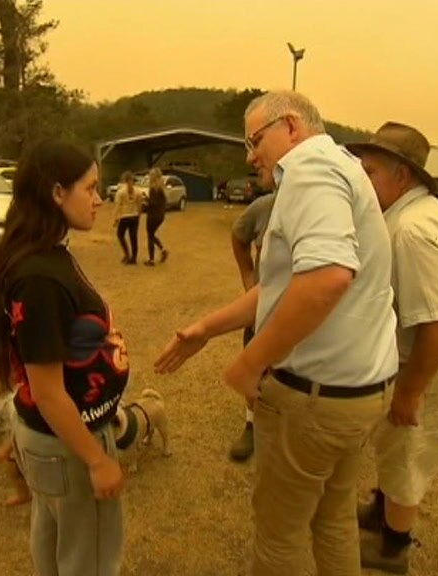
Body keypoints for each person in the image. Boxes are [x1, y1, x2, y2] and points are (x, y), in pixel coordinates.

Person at [155, 91, 399, 576]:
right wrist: (208, 327)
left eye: (254, 141)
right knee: (332, 519)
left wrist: (252, 360)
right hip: (358, 392)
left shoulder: (309, 170)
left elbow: (328, 276)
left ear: (290, 126)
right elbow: (285, 285)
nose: (249, 156)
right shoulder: (340, 167)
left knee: (279, 533)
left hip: (314, 398)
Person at [0, 140, 128, 576]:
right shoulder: (40, 277)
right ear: (56, 193)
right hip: (70, 442)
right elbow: (48, 392)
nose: (99, 199)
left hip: (48, 438)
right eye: (90, 188)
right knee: (89, 561)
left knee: (53, 545)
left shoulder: (36, 256)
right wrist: (98, 461)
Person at [347, 122, 438, 573]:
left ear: (403, 175)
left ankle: (394, 545)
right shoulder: (402, 215)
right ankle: (383, 512)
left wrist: (411, 390)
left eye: (371, 171)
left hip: (423, 363)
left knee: (408, 451)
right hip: (406, 357)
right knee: (393, 445)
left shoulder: (414, 230)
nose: (364, 180)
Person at [226, 190, 276, 462]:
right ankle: (251, 424)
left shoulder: (324, 204)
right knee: (256, 370)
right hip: (261, 312)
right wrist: (248, 276)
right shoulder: (264, 207)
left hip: (303, 313)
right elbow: (238, 235)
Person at [112, 170, 142, 265]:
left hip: (125, 216)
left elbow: (117, 206)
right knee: (134, 237)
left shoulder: (121, 192)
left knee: (120, 235)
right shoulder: (138, 191)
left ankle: (127, 254)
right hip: (134, 216)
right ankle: (134, 258)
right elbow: (140, 205)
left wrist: (115, 218)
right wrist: (138, 216)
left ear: (124, 180)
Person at [143, 168, 169, 266]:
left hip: (153, 215)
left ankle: (151, 259)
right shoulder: (162, 187)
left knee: (150, 235)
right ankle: (162, 250)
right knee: (152, 235)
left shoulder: (153, 188)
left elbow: (153, 203)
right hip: (160, 215)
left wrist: (146, 199)